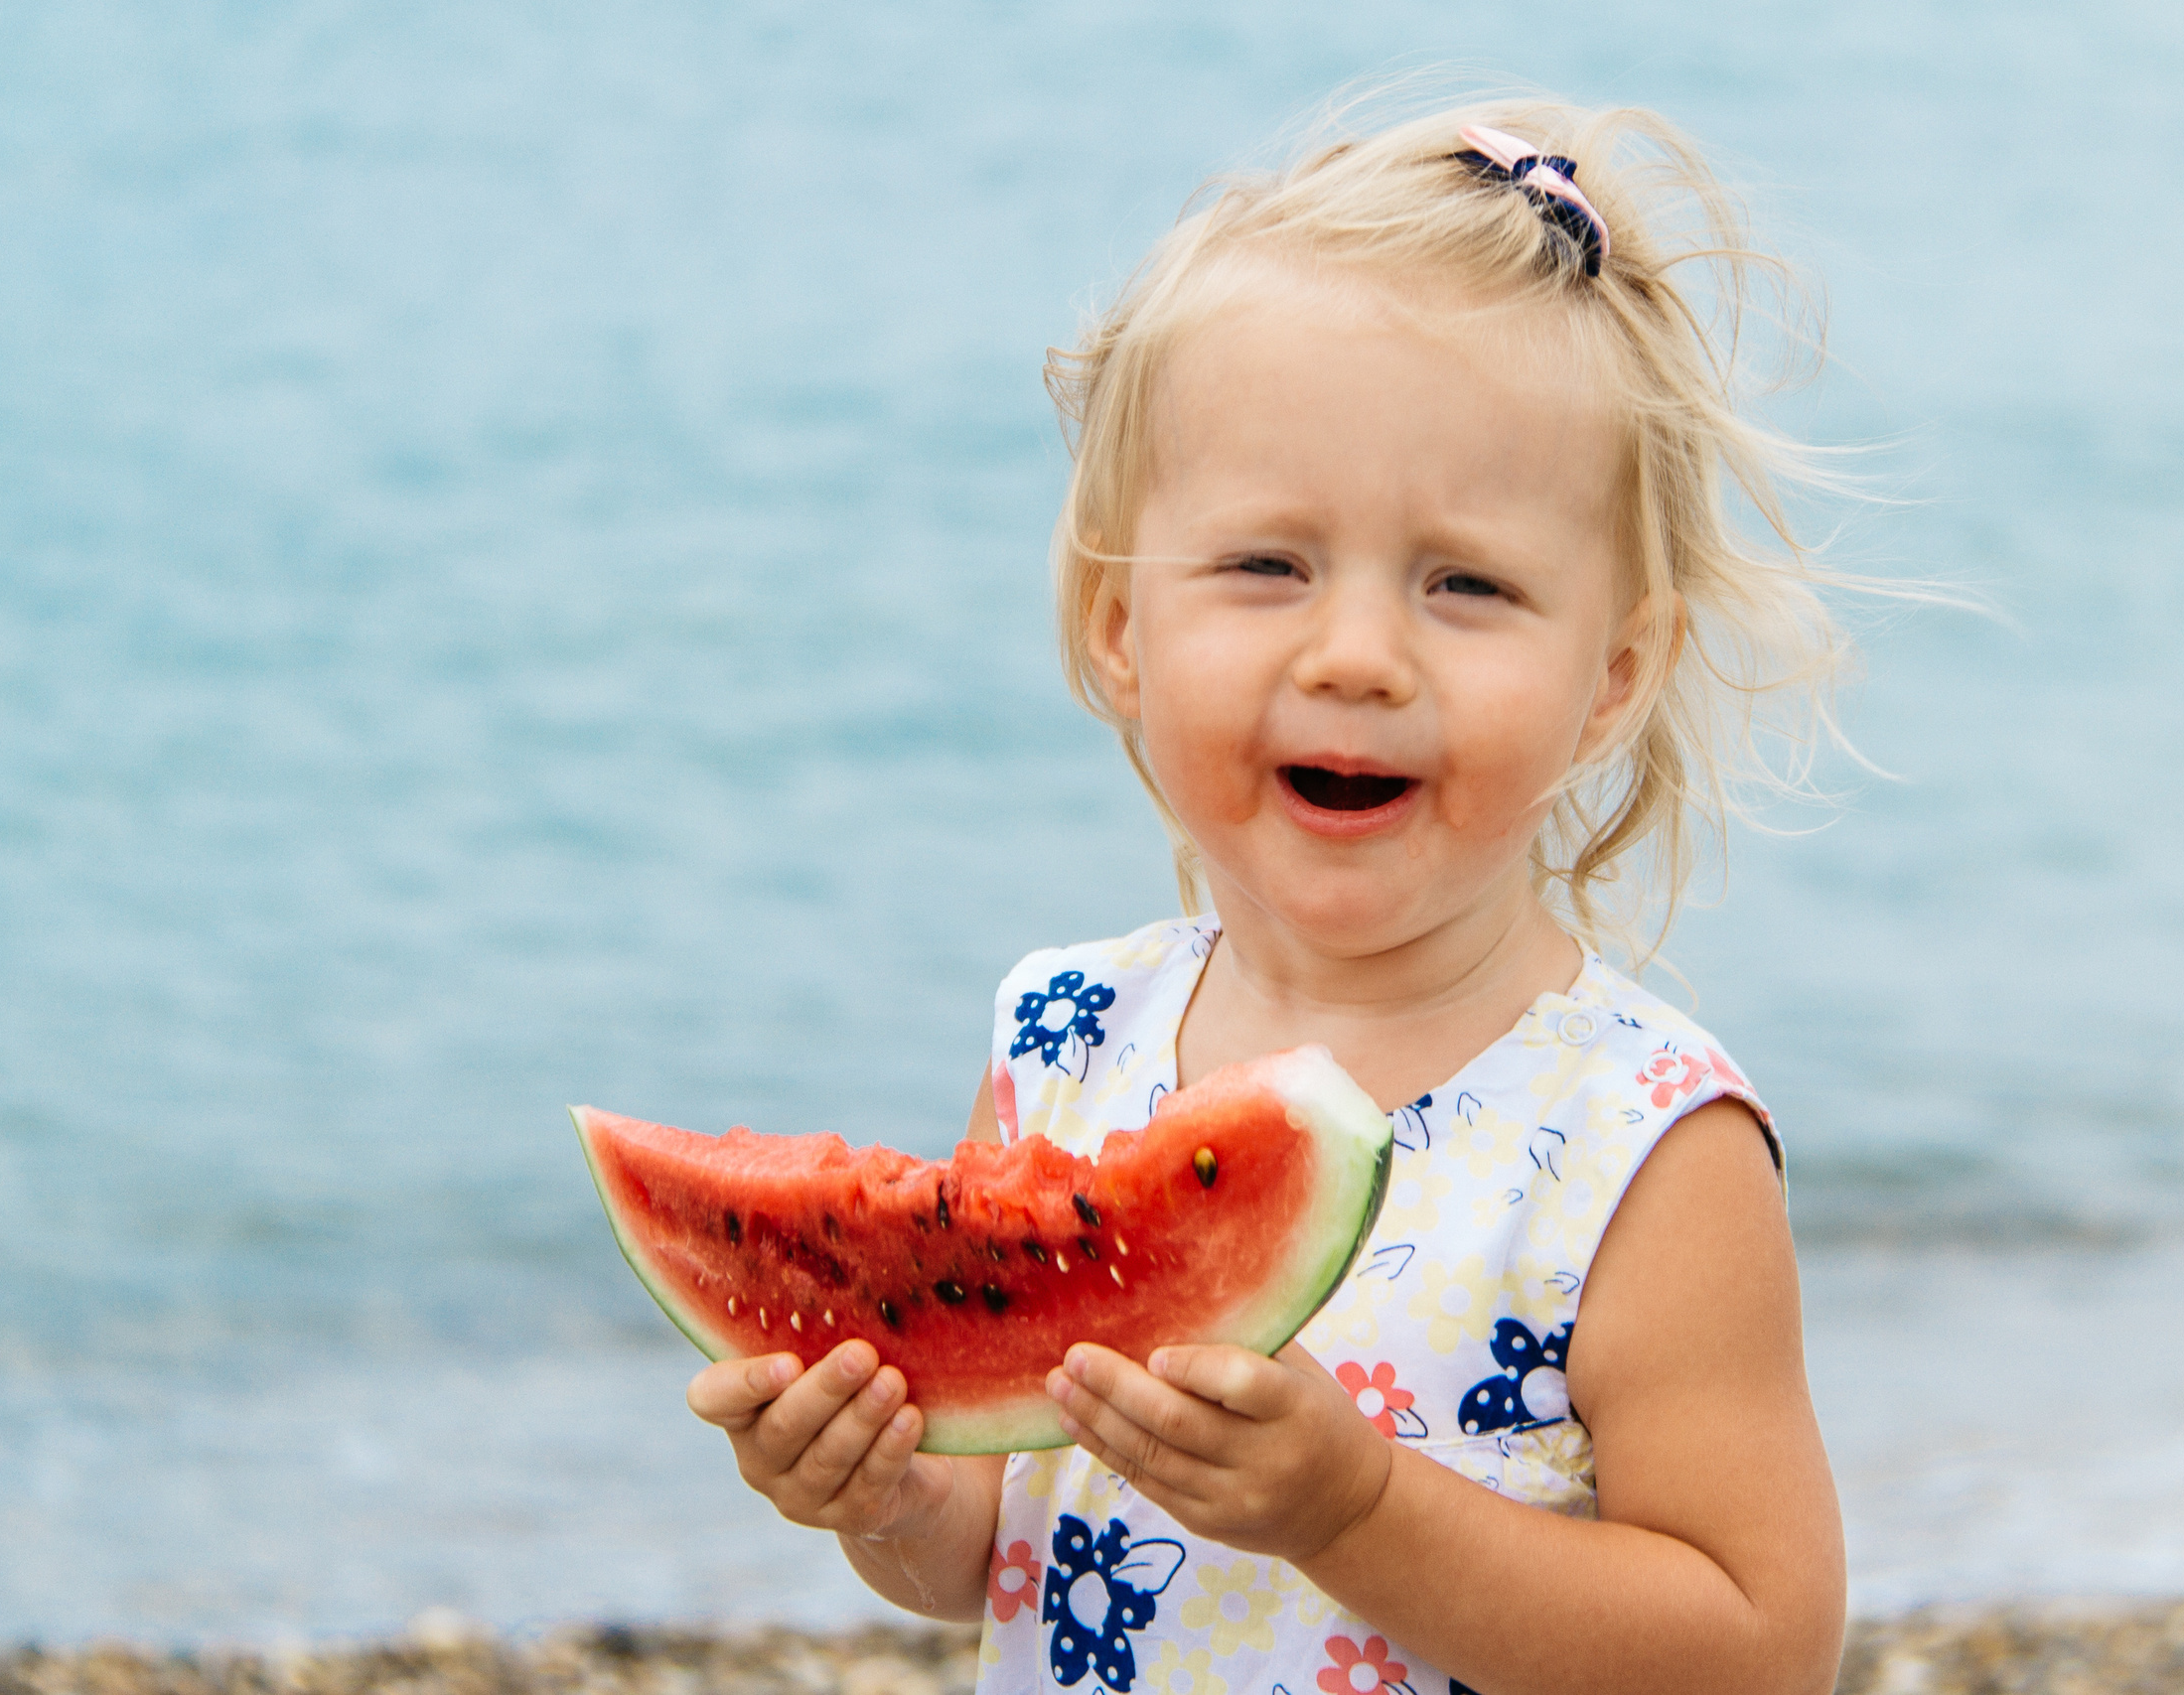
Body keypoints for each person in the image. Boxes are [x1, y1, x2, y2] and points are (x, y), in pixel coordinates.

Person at [689, 93, 1854, 1695]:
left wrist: (1353, 1507)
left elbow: (1760, 1648)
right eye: (1265, 566)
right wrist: (877, 1492)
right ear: (1120, 627)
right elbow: (978, 1548)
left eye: (1467, 585)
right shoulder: (1065, 1041)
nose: (1358, 654)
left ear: (1613, 678)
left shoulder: (1644, 1145)